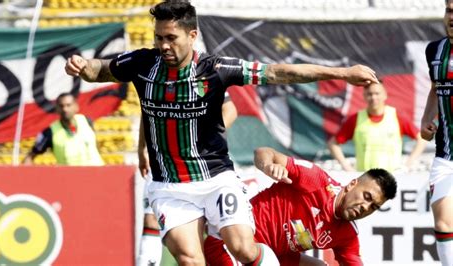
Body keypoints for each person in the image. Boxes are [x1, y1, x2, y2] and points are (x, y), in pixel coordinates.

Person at [64, 1, 378, 264]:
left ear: (192, 35)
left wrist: (341, 73)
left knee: (242, 248)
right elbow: (99, 71)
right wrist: (81, 64)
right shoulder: (144, 63)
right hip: (169, 184)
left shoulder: (216, 69)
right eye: (159, 37)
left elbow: (278, 72)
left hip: (215, 178)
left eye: (171, 38)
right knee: (189, 259)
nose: (163, 45)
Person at [205, 147, 397, 266]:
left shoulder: (347, 234)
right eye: (366, 196)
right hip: (234, 242)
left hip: (269, 256)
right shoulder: (316, 180)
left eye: (373, 206)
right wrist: (268, 166)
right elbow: (263, 152)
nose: (365, 207)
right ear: (352, 184)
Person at [137, 94, 238, 266]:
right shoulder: (151, 72)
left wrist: (206, 138)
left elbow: (230, 109)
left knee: (229, 238)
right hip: (163, 164)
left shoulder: (205, 70)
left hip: (203, 166)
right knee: (152, 221)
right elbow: (147, 111)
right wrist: (142, 147)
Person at [327, 82, 426, 172]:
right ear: (364, 96)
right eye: (370, 94)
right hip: (365, 179)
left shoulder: (396, 116)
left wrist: (408, 164)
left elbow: (422, 139)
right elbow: (333, 143)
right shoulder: (356, 119)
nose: (373, 97)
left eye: (377, 93)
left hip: (393, 179)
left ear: (385, 95)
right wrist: (346, 167)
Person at [421, 1, 453, 264]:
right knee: (443, 224)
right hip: (445, 155)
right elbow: (436, 87)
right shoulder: (434, 50)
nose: (452, 17)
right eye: (450, 10)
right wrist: (426, 119)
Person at [23, 92, 104, 166]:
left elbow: (95, 146)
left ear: (76, 106)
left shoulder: (87, 121)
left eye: (68, 105)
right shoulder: (49, 132)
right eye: (61, 106)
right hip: (71, 178)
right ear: (57, 109)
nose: (65, 109)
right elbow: (30, 157)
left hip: (96, 174)